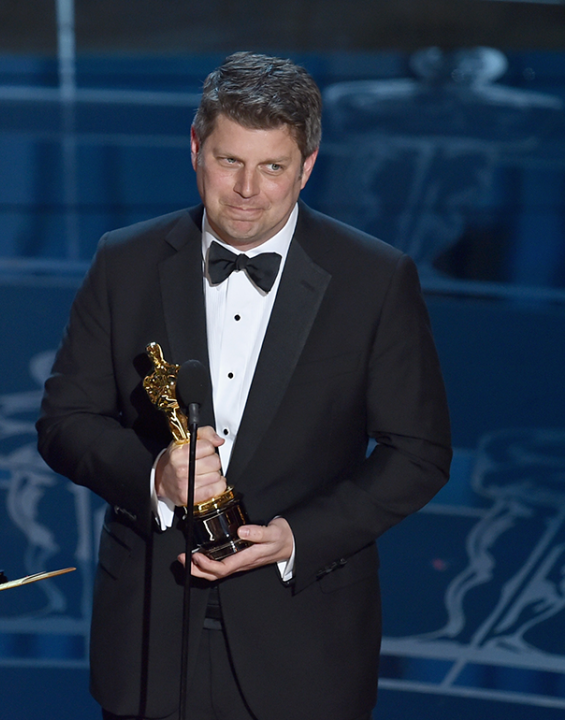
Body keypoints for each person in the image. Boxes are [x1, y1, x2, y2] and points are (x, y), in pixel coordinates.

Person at [37, 52, 452, 720]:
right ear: (196, 148)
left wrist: (297, 536)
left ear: (308, 166)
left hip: (305, 638)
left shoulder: (374, 279)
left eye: (273, 167)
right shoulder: (126, 260)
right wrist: (155, 479)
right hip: (150, 635)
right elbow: (65, 421)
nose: (248, 191)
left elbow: (419, 452)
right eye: (230, 161)